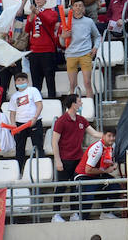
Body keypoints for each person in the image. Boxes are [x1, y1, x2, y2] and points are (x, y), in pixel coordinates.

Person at [50, 93, 95, 222]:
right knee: (62, 186)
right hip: (65, 159)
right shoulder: (61, 121)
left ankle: (74, 213)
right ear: (73, 104)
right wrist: (58, 160)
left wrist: (108, 136)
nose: (81, 104)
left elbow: (93, 132)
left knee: (76, 186)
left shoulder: (81, 120)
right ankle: (56, 214)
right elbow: (54, 142)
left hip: (78, 158)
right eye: (79, 102)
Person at [5, 69, 43, 168]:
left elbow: (39, 105)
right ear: (15, 82)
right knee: (19, 148)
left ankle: (41, 168)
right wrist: (13, 124)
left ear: (27, 81)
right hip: (20, 124)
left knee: (38, 146)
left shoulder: (33, 90)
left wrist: (35, 118)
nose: (21, 82)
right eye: (18, 80)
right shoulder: (14, 96)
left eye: (23, 79)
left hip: (34, 121)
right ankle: (19, 169)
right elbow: (12, 112)